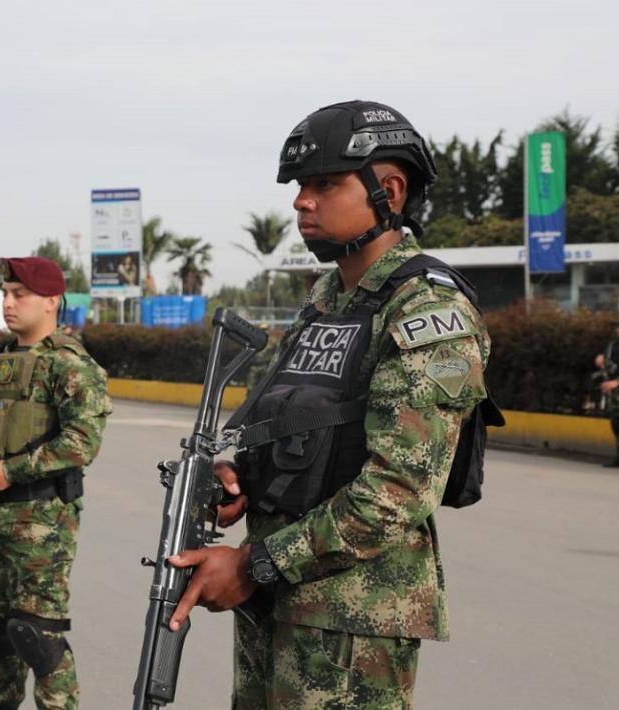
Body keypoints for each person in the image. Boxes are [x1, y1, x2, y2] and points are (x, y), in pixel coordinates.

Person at [165, 101, 491, 708]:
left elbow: (396, 493)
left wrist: (253, 566)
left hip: (352, 621)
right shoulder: (326, 302)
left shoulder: (426, 312)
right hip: (281, 602)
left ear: (387, 190)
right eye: (299, 187)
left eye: (323, 184)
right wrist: (248, 475)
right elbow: (301, 425)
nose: (300, 202)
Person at [0, 256, 112, 710]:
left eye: (19, 295)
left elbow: (81, 443)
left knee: (37, 637)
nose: (8, 303)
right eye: (4, 294)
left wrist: (12, 470)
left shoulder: (70, 366)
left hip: (40, 522)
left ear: (51, 301)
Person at [595, 321, 619, 466]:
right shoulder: (612, 345)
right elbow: (606, 359)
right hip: (614, 392)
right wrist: (600, 359)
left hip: (616, 385)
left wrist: (617, 382)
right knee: (616, 423)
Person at [244, 323, 279, 395]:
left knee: (265, 386)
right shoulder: (254, 339)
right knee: (250, 386)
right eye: (262, 330)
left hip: (266, 366)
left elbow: (278, 351)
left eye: (266, 329)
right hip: (254, 366)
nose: (264, 331)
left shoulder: (273, 340)